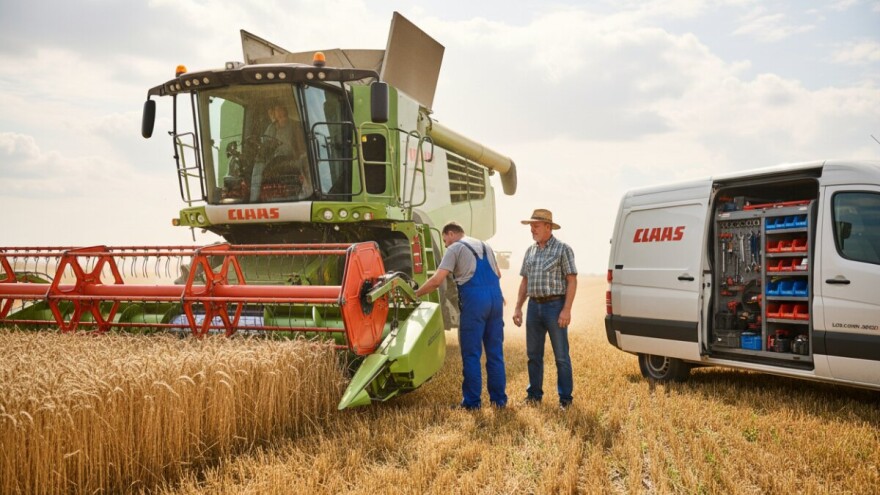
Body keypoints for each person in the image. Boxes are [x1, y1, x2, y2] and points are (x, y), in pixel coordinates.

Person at [416, 222, 507, 410]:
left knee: (471, 354)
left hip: (475, 302)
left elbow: (437, 281)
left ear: (450, 233)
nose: (445, 245)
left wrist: (415, 294)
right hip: (496, 300)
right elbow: (498, 274)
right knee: (495, 353)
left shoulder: (455, 248)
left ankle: (472, 403)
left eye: (445, 240)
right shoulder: (485, 245)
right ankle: (499, 401)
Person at [512, 208, 577, 410]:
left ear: (548, 227)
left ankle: (565, 400)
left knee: (561, 357)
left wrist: (566, 309)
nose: (532, 229)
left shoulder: (563, 249)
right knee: (533, 355)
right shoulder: (530, 251)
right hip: (534, 307)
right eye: (531, 226)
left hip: (555, 307)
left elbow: (572, 280)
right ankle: (534, 395)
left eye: (536, 226)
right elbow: (525, 282)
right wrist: (518, 308)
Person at [251, 103, 312, 201]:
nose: (278, 112)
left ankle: (306, 194)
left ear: (285, 111)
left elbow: (301, 147)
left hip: (291, 159)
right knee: (258, 166)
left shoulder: (295, 125)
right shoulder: (271, 127)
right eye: (276, 110)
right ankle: (254, 199)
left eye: (280, 109)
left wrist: (300, 157)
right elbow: (265, 144)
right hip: (273, 160)